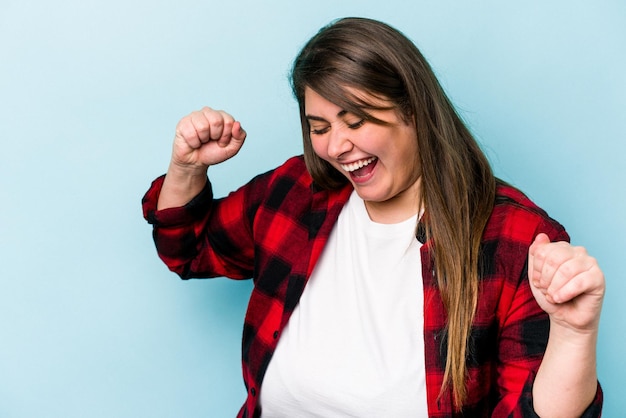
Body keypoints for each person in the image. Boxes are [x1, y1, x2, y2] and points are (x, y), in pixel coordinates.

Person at [142, 17, 604, 417]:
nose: (336, 146)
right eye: (318, 128)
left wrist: (573, 334)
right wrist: (186, 168)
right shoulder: (298, 191)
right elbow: (188, 249)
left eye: (356, 121)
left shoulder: (515, 238)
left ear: (413, 111)